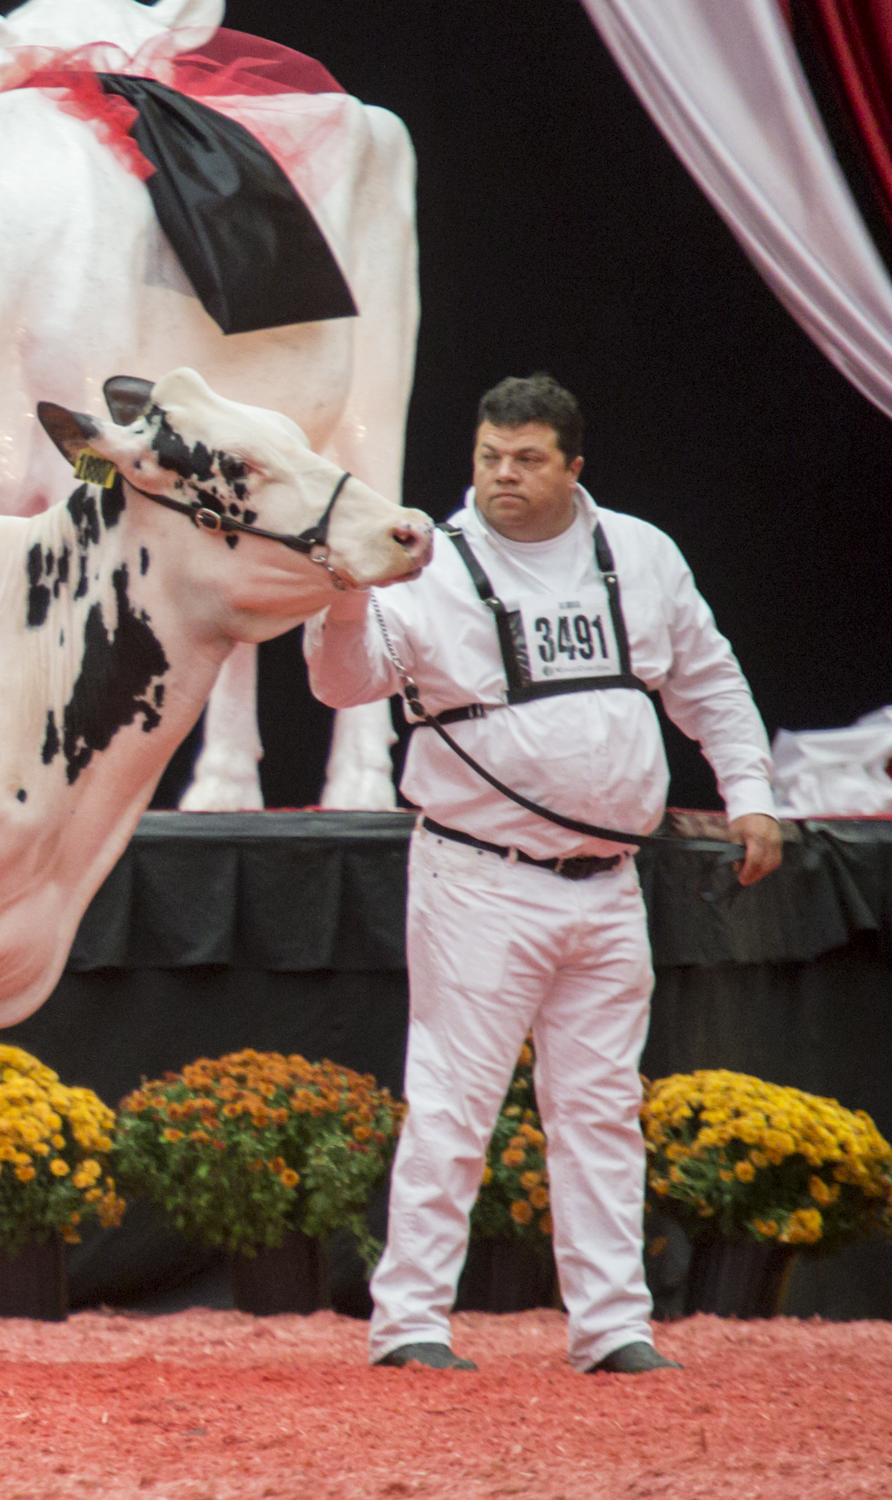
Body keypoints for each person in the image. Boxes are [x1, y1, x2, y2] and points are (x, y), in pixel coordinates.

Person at [303, 373, 783, 1375]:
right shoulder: (424, 562)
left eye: (526, 459)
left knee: (602, 1109)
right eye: (488, 457)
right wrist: (343, 602)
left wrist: (749, 793)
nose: (502, 476)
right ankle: (409, 1323)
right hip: (480, 878)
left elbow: (708, 679)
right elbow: (343, 685)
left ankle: (611, 1326)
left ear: (573, 467)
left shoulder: (640, 554)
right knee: (451, 1103)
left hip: (608, 885)